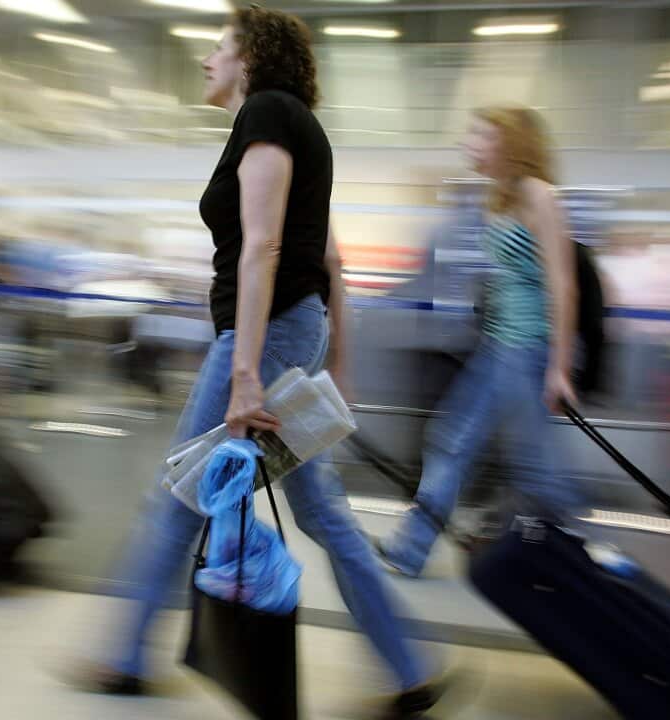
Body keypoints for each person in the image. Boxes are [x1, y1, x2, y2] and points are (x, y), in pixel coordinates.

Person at [70, 7, 448, 716]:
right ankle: (411, 669)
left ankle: (122, 657)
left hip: (266, 337)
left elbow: (265, 251)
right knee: (324, 515)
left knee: (180, 492)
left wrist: (246, 372)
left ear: (251, 56)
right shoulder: (295, 123)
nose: (207, 60)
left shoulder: (269, 115)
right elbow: (332, 259)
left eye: (219, 47)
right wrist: (340, 366)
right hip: (291, 334)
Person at [372, 106, 584, 578]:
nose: (470, 143)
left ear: (510, 143)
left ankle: (580, 562)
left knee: (536, 468)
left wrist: (560, 368)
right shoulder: (502, 199)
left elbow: (563, 285)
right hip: (501, 346)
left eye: (481, 135)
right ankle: (410, 550)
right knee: (453, 443)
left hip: (529, 350)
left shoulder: (539, 195)